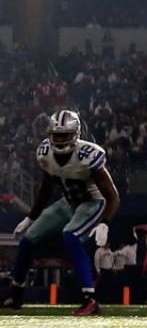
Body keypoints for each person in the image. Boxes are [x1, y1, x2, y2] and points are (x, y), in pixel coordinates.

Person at [3, 111, 117, 315]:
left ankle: (90, 300)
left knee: (70, 237)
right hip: (68, 203)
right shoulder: (45, 152)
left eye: (65, 135)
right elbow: (46, 187)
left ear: (76, 134)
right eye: (57, 135)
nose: (60, 140)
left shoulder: (87, 154)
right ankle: (16, 295)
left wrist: (105, 223)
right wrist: (31, 217)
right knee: (27, 240)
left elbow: (112, 195)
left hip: (92, 202)